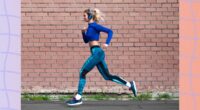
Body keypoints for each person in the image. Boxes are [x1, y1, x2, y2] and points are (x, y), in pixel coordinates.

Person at [66, 8, 137, 106]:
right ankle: (130, 85)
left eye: (84, 15)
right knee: (107, 76)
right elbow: (86, 41)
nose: (83, 17)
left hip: (97, 52)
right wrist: (83, 32)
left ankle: (78, 97)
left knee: (82, 72)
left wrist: (107, 43)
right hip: (96, 53)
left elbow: (110, 31)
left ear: (90, 16)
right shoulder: (89, 27)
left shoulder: (95, 26)